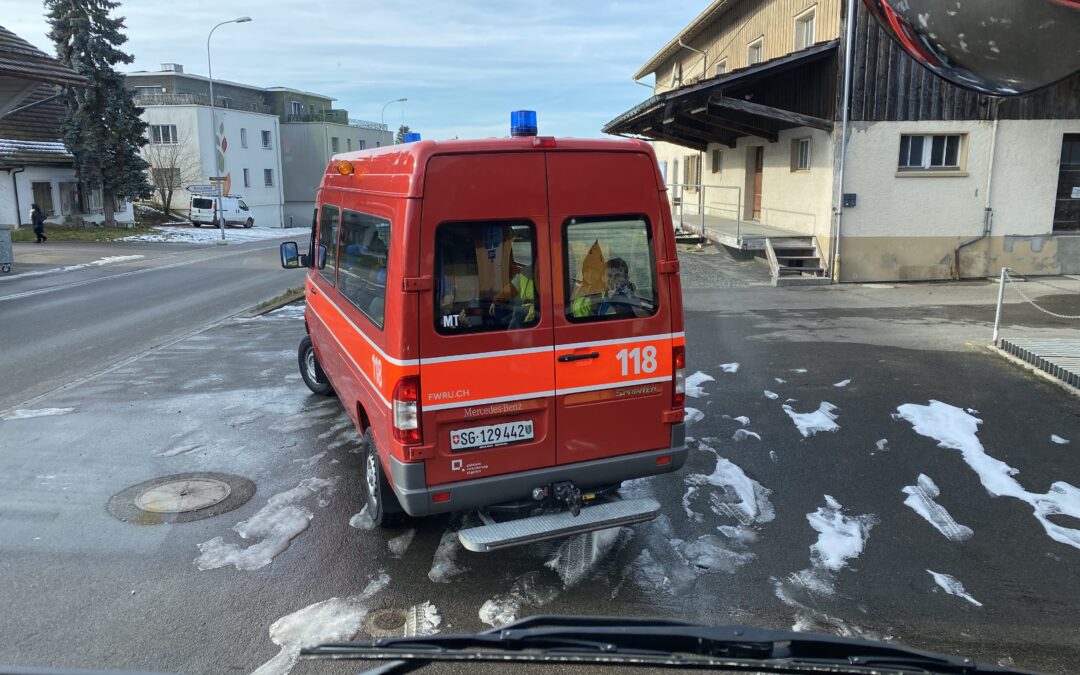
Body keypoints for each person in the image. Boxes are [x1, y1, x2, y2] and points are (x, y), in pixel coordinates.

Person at [488, 260, 536, 327]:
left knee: (515, 323)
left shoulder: (543, 271)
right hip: (526, 308)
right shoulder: (524, 272)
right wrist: (496, 300)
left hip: (537, 309)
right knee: (504, 321)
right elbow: (511, 288)